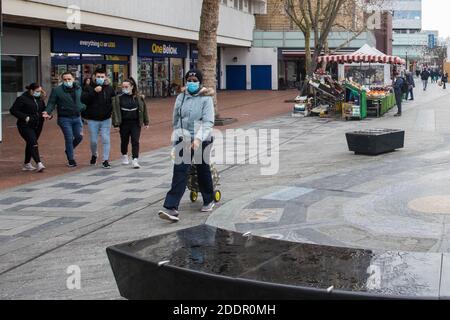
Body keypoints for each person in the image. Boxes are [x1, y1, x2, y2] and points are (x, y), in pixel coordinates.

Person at [158, 69, 216, 223]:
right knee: (180, 170)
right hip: (183, 137)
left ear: (200, 82)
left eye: (194, 80)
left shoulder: (206, 99)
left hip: (202, 138)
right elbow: (176, 117)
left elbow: (208, 121)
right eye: (189, 80)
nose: (191, 82)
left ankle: (209, 199)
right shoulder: (181, 97)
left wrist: (197, 139)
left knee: (202, 168)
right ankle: (171, 207)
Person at [43, 72, 86, 167]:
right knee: (69, 138)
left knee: (79, 137)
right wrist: (47, 112)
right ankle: (71, 159)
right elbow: (51, 103)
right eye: (65, 79)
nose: (67, 81)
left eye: (69, 79)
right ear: (62, 80)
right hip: (64, 118)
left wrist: (85, 108)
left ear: (73, 79)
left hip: (77, 117)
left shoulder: (78, 88)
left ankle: (68, 149)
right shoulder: (57, 90)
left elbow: (82, 100)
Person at [81, 68, 116, 169]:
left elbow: (114, 101)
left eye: (102, 77)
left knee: (106, 138)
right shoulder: (89, 87)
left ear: (105, 77)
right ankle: (94, 154)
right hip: (92, 119)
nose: (100, 78)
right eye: (98, 77)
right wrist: (94, 92)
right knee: (93, 141)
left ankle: (105, 160)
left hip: (106, 118)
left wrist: (113, 114)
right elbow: (83, 99)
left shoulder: (109, 88)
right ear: (94, 77)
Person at [112, 78, 149, 169]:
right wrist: (116, 124)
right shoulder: (118, 98)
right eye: (123, 87)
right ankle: (124, 155)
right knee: (124, 140)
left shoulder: (139, 98)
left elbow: (144, 110)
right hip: (124, 123)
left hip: (135, 122)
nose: (124, 88)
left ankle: (135, 159)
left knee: (135, 141)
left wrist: (146, 121)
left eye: (126, 86)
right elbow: (115, 112)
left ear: (132, 87)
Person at [10, 83, 47, 172]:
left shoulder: (40, 99)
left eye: (40, 91)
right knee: (33, 142)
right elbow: (13, 110)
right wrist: (25, 117)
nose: (39, 93)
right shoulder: (22, 99)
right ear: (31, 91)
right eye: (37, 91)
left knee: (31, 142)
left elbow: (43, 109)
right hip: (25, 126)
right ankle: (39, 163)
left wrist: (47, 114)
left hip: (38, 125)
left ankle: (26, 164)